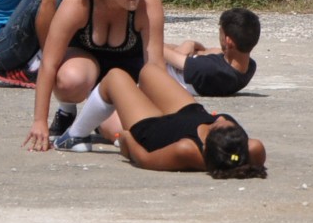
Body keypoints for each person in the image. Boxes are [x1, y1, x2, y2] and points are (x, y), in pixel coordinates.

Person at [25, 0, 165, 153]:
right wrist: (39, 121)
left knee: (124, 131)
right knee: (70, 80)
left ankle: (97, 117)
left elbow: (155, 65)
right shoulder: (78, 2)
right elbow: (49, 63)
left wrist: (164, 111)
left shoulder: (147, 1)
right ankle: (66, 111)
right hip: (86, 69)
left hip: (125, 80)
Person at [92, 64, 267, 177]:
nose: (220, 117)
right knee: (149, 71)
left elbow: (145, 159)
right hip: (189, 114)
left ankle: (74, 133)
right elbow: (241, 153)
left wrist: (128, 139)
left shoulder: (188, 150)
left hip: (152, 128)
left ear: (206, 146)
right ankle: (129, 103)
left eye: (216, 125)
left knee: (115, 75)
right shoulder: (251, 149)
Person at [170, 7, 260, 98]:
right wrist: (191, 44)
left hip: (161, 73)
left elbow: (160, 52)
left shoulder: (211, 69)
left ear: (228, 41)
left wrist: (187, 45)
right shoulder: (249, 66)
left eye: (220, 32)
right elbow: (206, 51)